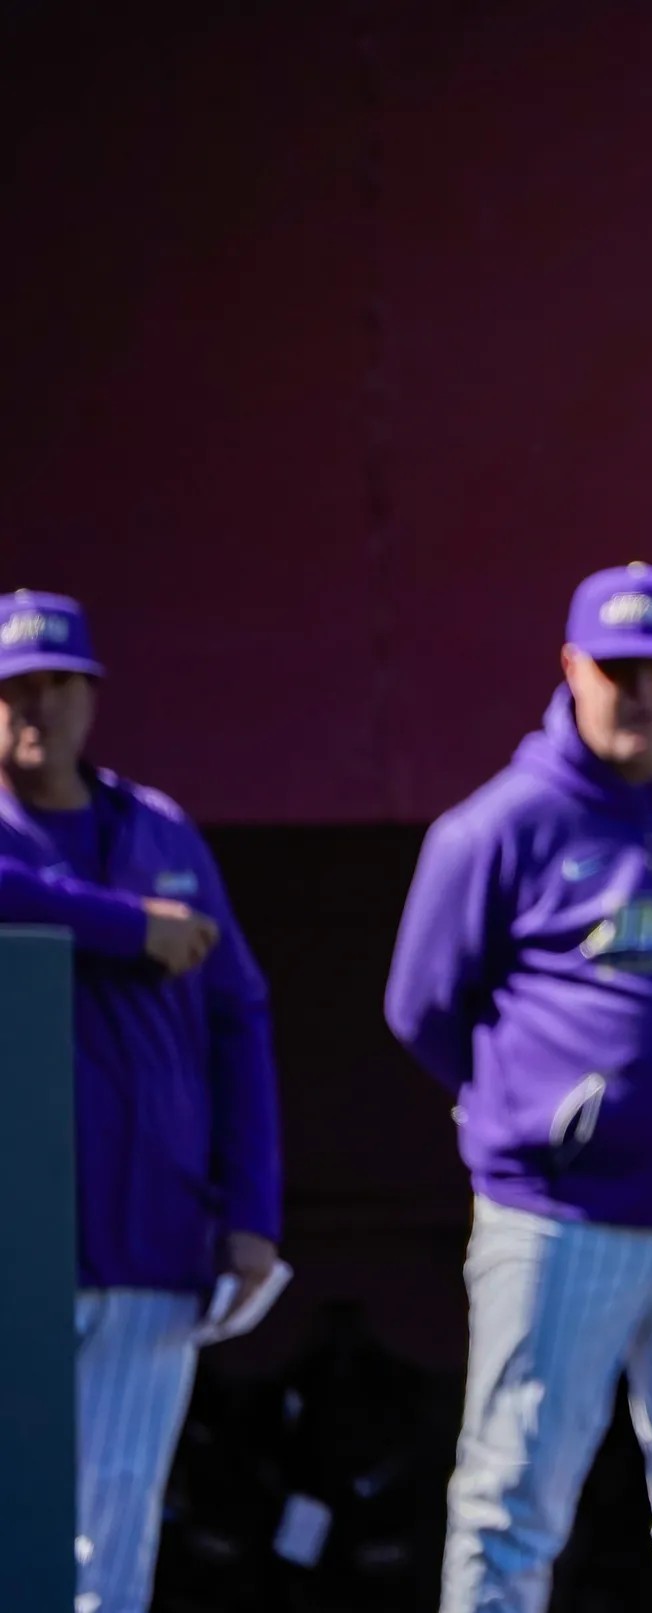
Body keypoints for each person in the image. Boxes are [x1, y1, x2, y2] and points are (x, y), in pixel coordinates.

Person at [386, 563, 652, 1613]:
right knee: (512, 1499)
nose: (642, 692)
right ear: (572, 669)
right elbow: (423, 1007)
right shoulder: (500, 825)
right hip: (559, 1217)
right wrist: (543, 1118)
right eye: (618, 669)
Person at [0, 589, 283, 1613]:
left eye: (57, 683)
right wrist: (126, 925)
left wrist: (249, 1213)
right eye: (16, 686)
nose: (37, 705)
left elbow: (239, 1014)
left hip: (153, 1233)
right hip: (17, 1252)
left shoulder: (154, 825)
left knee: (113, 1539)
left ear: (91, 695)